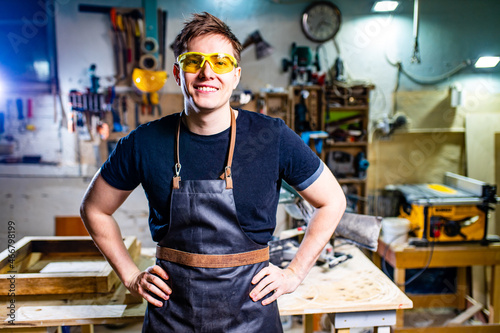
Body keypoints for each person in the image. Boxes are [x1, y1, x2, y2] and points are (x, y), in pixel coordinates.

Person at [80, 12, 346, 333]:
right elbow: (94, 209)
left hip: (251, 316)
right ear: (179, 74)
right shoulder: (144, 142)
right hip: (171, 317)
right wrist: (130, 275)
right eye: (195, 62)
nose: (207, 73)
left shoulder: (272, 137)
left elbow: (332, 201)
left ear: (235, 75)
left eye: (220, 63)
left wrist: (294, 273)